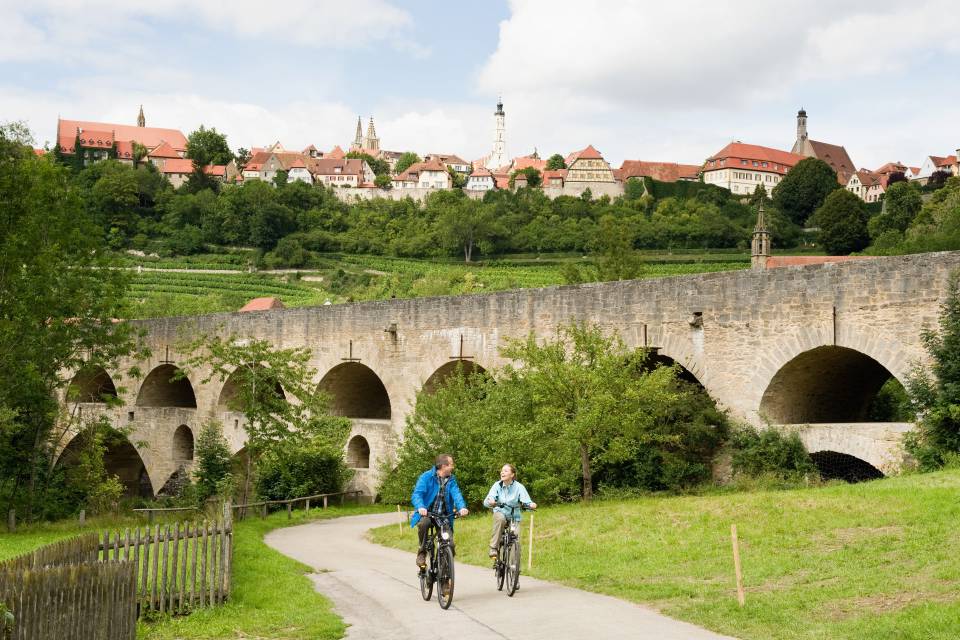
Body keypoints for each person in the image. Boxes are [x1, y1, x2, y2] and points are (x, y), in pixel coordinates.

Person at [410, 453, 469, 568]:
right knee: (423, 523)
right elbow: (417, 494)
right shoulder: (426, 477)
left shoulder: (451, 480)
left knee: (450, 545)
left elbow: (457, 494)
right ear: (443, 466)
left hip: (443, 517)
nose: (453, 467)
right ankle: (422, 552)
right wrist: (421, 507)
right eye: (451, 464)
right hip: (427, 513)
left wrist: (462, 507)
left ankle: (443, 572)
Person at [483, 463, 536, 559]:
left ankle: (513, 563)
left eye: (505, 471)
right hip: (500, 512)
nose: (502, 472)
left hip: (514, 516)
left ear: (512, 474)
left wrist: (531, 505)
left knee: (515, 538)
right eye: (502, 471)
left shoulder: (519, 487)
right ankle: (493, 548)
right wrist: (491, 501)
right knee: (500, 519)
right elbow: (488, 500)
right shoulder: (497, 485)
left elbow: (526, 501)